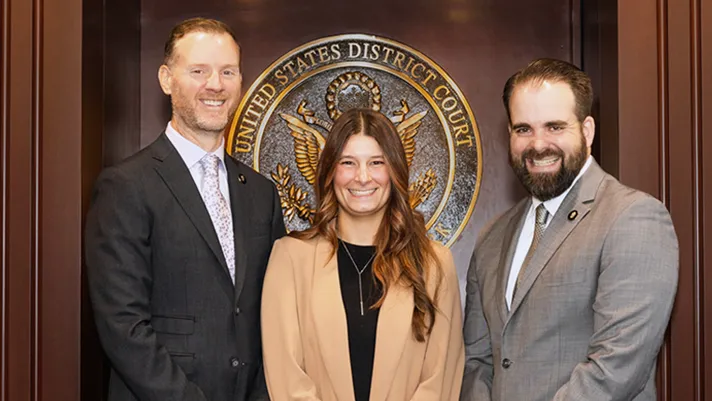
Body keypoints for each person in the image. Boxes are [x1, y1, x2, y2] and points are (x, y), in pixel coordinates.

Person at [85, 18, 285, 401]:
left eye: (228, 71)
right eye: (199, 71)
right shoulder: (126, 186)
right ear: (166, 78)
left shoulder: (262, 193)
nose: (216, 84)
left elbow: (275, 314)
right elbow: (122, 325)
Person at [460, 58, 679, 401]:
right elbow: (477, 361)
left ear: (587, 130)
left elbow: (616, 367)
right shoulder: (492, 236)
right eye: (523, 129)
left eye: (555, 126)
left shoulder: (633, 218)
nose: (538, 144)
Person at [261, 108, 464, 401]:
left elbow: (440, 379)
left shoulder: (435, 264)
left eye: (376, 162)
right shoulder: (290, 259)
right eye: (348, 163)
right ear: (330, 172)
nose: (363, 177)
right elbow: (287, 378)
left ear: (395, 171)